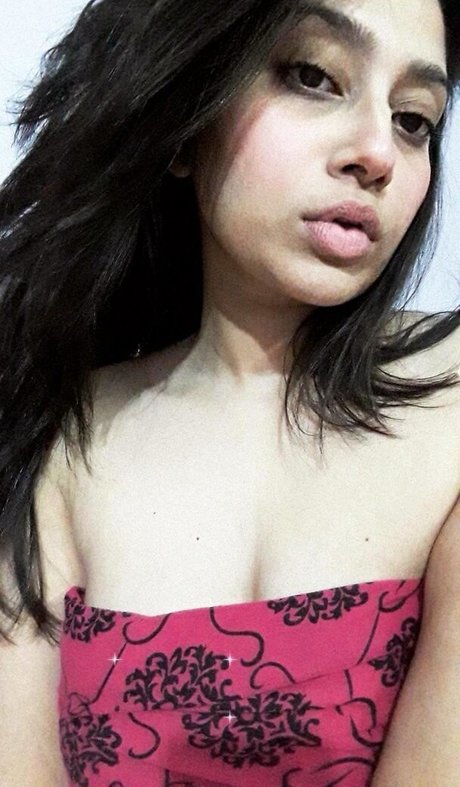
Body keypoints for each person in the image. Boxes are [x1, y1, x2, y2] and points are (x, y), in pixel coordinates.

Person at [1, 0, 460, 784]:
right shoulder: (64, 440)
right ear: (187, 120)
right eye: (313, 76)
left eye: (414, 119)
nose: (377, 152)